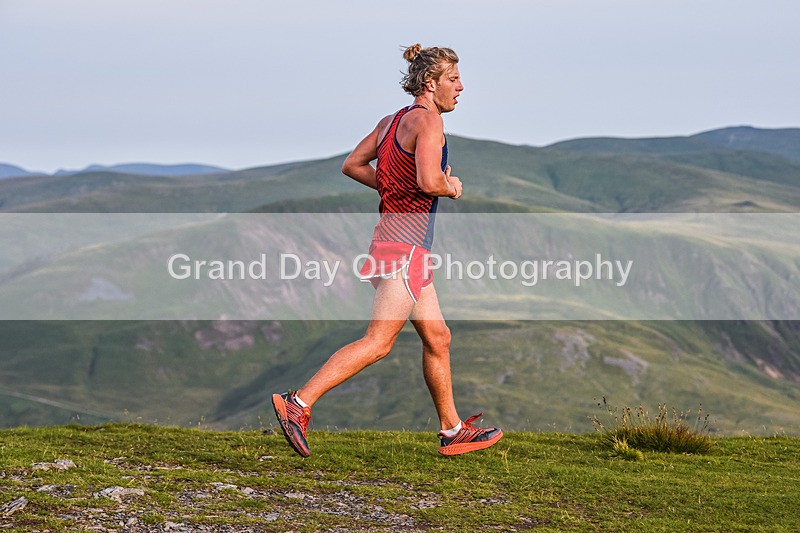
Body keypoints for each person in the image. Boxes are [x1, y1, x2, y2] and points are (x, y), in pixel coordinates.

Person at [272, 44, 502, 457]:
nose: (461, 87)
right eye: (454, 79)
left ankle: (452, 430)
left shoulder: (389, 122)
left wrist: (392, 186)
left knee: (438, 338)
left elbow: (352, 165)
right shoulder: (429, 123)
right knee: (378, 342)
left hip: (398, 244)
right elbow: (431, 181)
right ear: (430, 83)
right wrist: (451, 186)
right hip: (404, 249)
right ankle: (298, 405)